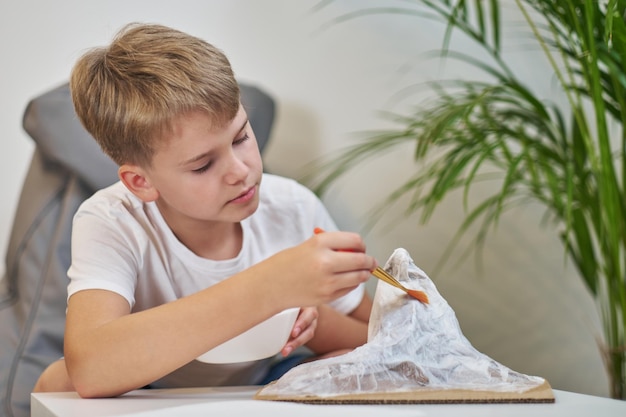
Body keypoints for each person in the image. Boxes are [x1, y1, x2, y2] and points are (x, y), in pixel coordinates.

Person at [33, 22, 375, 397]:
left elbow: (379, 340)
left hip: (264, 381)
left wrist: (312, 315)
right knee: (58, 382)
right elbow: (91, 369)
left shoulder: (292, 207)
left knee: (352, 365)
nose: (240, 171)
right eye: (202, 166)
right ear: (141, 183)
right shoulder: (112, 220)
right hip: (148, 387)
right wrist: (271, 289)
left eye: (241, 137)